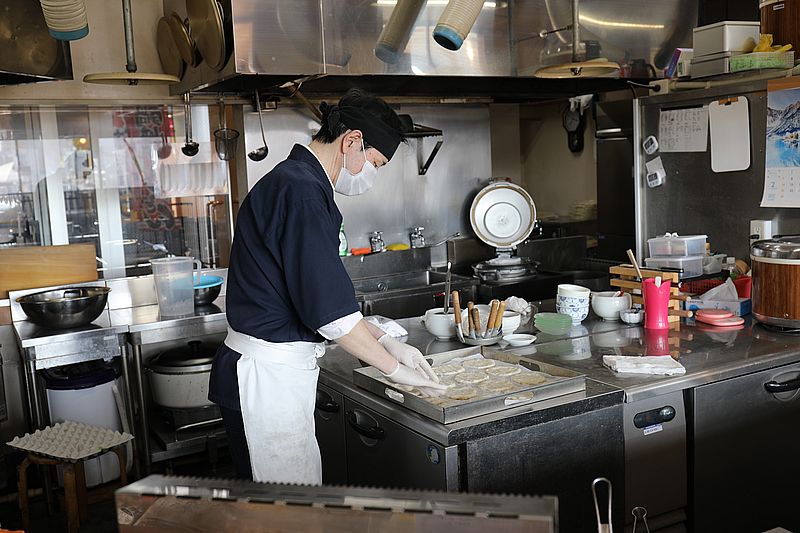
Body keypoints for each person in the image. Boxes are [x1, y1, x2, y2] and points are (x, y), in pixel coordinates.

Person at [209, 88, 446, 485]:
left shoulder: (294, 182)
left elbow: (312, 298)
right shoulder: (301, 192)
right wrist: (391, 368)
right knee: (281, 515)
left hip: (268, 375)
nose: (371, 173)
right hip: (264, 383)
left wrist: (386, 340)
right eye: (375, 162)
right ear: (351, 140)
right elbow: (330, 314)